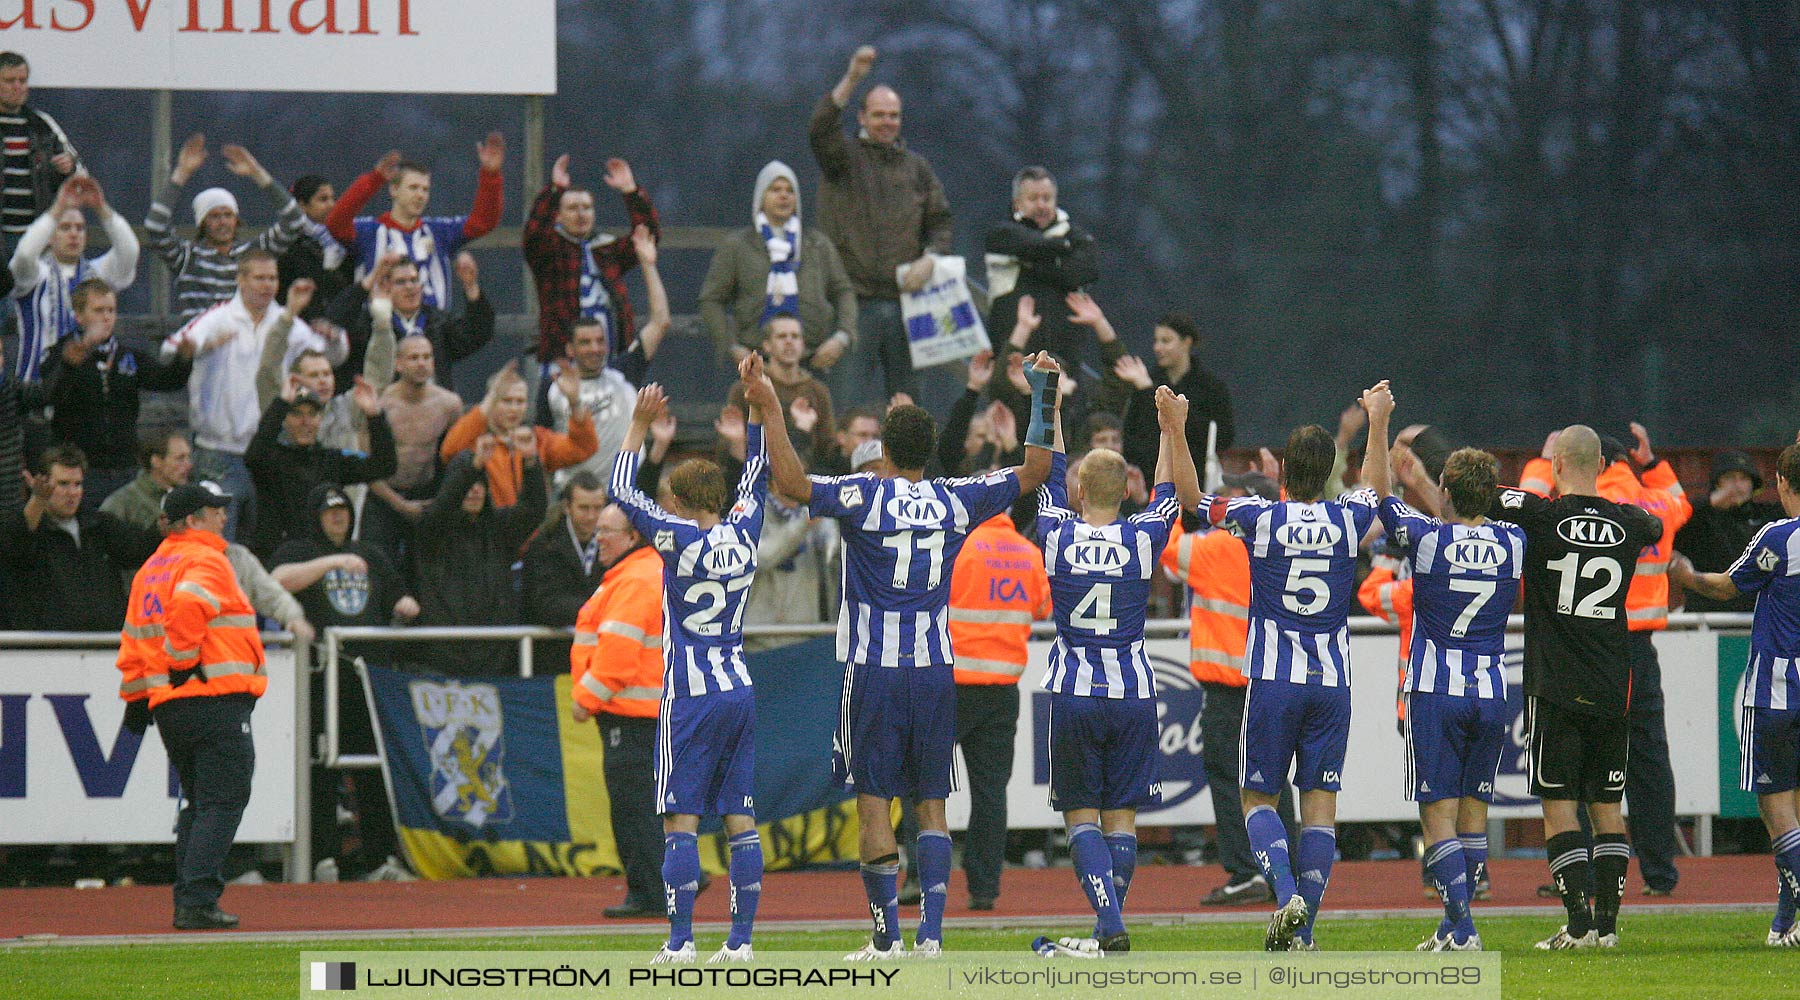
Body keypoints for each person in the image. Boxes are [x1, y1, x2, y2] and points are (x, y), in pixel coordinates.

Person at [765, 350, 1062, 959]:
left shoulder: (864, 495)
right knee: (932, 801)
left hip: (873, 670)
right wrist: (1043, 394)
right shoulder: (957, 499)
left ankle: (886, 938)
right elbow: (1035, 469)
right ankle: (931, 937)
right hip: (933, 670)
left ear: (885, 452)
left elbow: (791, 485)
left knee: (875, 799)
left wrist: (769, 407)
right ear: (927, 453)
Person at [610, 367, 780, 964]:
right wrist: (756, 407)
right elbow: (757, 475)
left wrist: (637, 424)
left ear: (680, 502)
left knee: (680, 819)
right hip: (738, 686)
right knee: (740, 815)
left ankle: (681, 940)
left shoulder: (673, 536)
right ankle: (740, 942)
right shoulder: (745, 532)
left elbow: (621, 491)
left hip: (689, 694)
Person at [1189, 421, 1380, 951]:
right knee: (1320, 809)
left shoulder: (1260, 515)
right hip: (1333, 683)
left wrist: (1173, 428)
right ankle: (1305, 935)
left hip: (1275, 680)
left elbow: (1189, 498)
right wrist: (1379, 422)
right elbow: (1381, 491)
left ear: (1284, 473)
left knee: (1257, 800)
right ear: (1330, 472)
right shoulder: (1347, 518)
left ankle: (1287, 894)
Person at [1030, 385, 1194, 957]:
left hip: (1074, 690)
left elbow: (1048, 471)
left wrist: (1047, 407)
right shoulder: (1142, 537)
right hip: (1133, 691)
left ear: (1079, 489)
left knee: (1081, 815)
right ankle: (1109, 928)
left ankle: (1108, 921)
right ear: (1127, 491)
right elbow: (1171, 494)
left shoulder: (1055, 534)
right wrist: (1171, 427)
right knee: (1121, 816)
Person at [1360, 382, 1521, 952]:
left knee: (1439, 819)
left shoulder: (1426, 540)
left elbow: (1375, 496)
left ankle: (1466, 930)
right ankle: (1453, 927)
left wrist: (1378, 425)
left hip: (1435, 690)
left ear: (1447, 489)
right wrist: (1434, 485)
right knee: (1474, 815)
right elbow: (1469, 516)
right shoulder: (1514, 541)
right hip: (1492, 691)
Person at [1490, 426, 1662, 950]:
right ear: (1604, 467)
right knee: (1608, 806)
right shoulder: (1632, 522)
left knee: (1559, 803)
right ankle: (1607, 927)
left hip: (1556, 683)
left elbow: (1489, 496)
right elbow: (1656, 523)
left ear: (1558, 463)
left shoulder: (1541, 515)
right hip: (1613, 682)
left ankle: (1578, 924)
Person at [115, 480, 265, 930]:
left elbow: (134, 641)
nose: (223, 516)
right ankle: (197, 899)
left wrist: (139, 698)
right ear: (193, 519)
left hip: (170, 706)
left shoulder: (150, 569)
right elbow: (188, 607)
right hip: (209, 696)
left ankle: (190, 898)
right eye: (214, 510)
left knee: (200, 803)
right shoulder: (204, 558)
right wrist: (182, 663)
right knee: (223, 799)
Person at [1670, 442, 1800, 947]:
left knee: (1776, 806)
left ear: (1784, 485)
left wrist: (1686, 576)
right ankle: (1783, 920)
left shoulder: (1779, 537)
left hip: (1774, 686)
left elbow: (1729, 586)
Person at [1161, 470, 1298, 907]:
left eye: (1229, 496)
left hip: (1228, 690)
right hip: (1272, 682)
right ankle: (1284, 869)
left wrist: (1174, 503)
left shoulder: (1219, 547)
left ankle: (1245, 872)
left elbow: (1165, 548)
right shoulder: (1280, 544)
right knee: (1274, 780)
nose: (1220, 501)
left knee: (1229, 781)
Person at [271, 483, 417, 883]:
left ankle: (379, 858)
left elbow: (402, 596)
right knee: (319, 768)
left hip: (367, 680)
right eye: (329, 512)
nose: (337, 517)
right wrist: (333, 561)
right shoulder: (300, 550)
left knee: (373, 769)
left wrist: (404, 603)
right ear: (315, 515)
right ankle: (321, 857)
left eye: (343, 511)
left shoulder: (370, 553)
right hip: (319, 680)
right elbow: (277, 581)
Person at [163, 250, 347, 541]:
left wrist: (335, 336)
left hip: (270, 453)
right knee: (220, 541)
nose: (267, 285)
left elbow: (332, 357)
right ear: (241, 279)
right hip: (220, 453)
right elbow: (170, 350)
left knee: (269, 540)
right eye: (259, 277)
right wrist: (202, 347)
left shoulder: (289, 324)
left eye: (272, 278)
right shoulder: (218, 318)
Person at [808, 45, 954, 408]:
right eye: (879, 115)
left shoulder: (918, 169)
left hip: (909, 306)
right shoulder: (842, 159)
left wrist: (932, 257)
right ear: (861, 117)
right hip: (852, 305)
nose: (887, 122)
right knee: (845, 407)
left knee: (911, 409)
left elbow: (941, 222)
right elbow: (820, 129)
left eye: (894, 115)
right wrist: (853, 77)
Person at [1596, 425, 1690, 897]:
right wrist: (1653, 463)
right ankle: (1660, 873)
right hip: (1642, 652)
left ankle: (1589, 873)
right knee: (1651, 762)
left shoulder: (1591, 505)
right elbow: (1682, 501)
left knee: (1587, 756)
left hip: (1596, 649)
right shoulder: (1659, 505)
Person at [944, 488, 1049, 911]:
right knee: (991, 793)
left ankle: (919, 876)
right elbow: (1042, 607)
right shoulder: (1027, 553)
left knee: (925, 784)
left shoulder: (958, 548)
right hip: (1002, 688)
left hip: (951, 685)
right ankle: (984, 887)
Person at [570, 502, 667, 919]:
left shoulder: (634, 580)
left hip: (631, 714)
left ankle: (654, 890)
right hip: (641, 713)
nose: (599, 539)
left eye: (607, 531)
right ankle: (665, 883)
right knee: (643, 806)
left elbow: (616, 656)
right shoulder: (638, 574)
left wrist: (584, 699)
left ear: (633, 536)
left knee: (635, 809)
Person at [537, 224, 668, 492]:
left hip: (626, 495)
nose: (595, 348)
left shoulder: (624, 373)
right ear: (570, 349)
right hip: (574, 499)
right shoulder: (552, 386)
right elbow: (541, 450)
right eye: (585, 342)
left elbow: (660, 322)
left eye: (600, 341)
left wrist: (647, 264)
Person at [40, 280, 187, 508]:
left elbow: (166, 380)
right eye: (98, 310)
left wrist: (185, 358)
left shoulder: (126, 356)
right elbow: (50, 395)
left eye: (111, 310)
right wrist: (70, 363)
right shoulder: (64, 353)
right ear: (79, 316)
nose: (106, 317)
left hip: (126, 466)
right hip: (82, 471)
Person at [700, 159, 857, 372]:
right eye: (775, 189)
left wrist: (841, 338)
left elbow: (843, 291)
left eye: (790, 190)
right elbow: (711, 299)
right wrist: (731, 346)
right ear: (760, 197)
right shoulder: (738, 246)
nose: (784, 195)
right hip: (755, 360)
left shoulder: (817, 245)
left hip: (814, 359)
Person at [411, 443, 546, 675]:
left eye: (480, 484)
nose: (474, 491)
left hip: (495, 658)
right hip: (442, 660)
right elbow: (443, 508)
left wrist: (531, 463)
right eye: (468, 485)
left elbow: (533, 509)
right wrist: (472, 468)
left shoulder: (499, 529)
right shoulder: (432, 531)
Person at [326, 137, 504, 311]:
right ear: (394, 190)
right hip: (381, 333)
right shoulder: (370, 231)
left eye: (425, 189)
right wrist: (375, 179)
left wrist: (490, 175)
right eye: (413, 188)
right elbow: (336, 222)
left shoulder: (439, 231)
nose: (421, 195)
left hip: (434, 334)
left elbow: (483, 222)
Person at [146, 134, 306, 320]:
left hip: (247, 342)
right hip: (202, 345)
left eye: (228, 215)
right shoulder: (187, 257)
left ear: (236, 219)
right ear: (202, 223)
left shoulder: (254, 252)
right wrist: (182, 173)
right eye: (214, 216)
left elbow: (295, 221)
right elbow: (155, 226)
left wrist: (257, 173)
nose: (223, 222)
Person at [0, 444, 160, 630]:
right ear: (42, 484)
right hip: (44, 648)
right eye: (63, 484)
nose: (72, 492)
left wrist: (161, 529)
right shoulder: (24, 529)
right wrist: (38, 500)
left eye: (78, 484)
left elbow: (138, 548)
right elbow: (15, 547)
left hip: (107, 641)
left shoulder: (99, 525)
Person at [524, 153, 660, 367]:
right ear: (557, 215)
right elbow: (533, 234)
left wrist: (631, 192)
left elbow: (647, 237)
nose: (581, 214)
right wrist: (554, 190)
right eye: (572, 208)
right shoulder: (550, 252)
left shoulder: (606, 250)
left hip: (611, 358)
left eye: (586, 207)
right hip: (563, 362)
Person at [244, 374, 395, 560]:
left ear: (320, 419)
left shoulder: (332, 460)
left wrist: (375, 416)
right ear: (285, 419)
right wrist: (280, 404)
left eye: (312, 414)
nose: (305, 422)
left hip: (323, 557)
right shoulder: (271, 458)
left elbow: (384, 466)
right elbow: (254, 457)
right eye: (297, 414)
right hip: (278, 559)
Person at [8, 176, 137, 384]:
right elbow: (23, 255)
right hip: (36, 388)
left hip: (85, 392)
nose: (74, 234)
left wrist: (101, 209)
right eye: (65, 227)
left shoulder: (97, 274)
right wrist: (57, 208)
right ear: (50, 236)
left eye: (80, 228)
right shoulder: (36, 274)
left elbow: (129, 251)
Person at [1096, 308, 1235, 479]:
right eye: (1156, 341)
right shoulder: (1146, 383)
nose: (1158, 348)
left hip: (1194, 478)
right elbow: (1135, 435)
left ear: (1186, 342)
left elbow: (1222, 437)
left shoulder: (1211, 387)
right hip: (1150, 478)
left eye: (1166, 341)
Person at [324, 250, 490, 393]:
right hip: (382, 412)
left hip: (434, 413)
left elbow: (478, 333)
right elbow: (335, 319)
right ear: (385, 285)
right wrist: (371, 278)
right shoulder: (370, 322)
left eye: (414, 280)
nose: (410, 287)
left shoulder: (437, 320)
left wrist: (471, 286)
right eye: (401, 282)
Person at [984, 166, 1099, 367]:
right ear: (1017, 203)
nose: (1041, 205)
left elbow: (1085, 273)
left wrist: (1031, 263)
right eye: (1033, 198)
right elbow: (1025, 243)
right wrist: (1060, 250)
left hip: (1064, 360)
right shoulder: (1000, 235)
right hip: (1012, 358)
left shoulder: (1075, 235)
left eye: (1047, 198)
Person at [366, 334, 464, 566]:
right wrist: (399, 504)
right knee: (378, 566)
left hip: (426, 496)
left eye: (426, 357)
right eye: (414, 358)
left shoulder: (449, 404)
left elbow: (456, 458)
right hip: (384, 496)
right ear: (398, 364)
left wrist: (442, 500)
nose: (421, 363)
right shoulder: (379, 403)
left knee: (426, 571)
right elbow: (365, 466)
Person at [441, 362, 595, 509]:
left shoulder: (537, 440)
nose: (514, 409)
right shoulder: (476, 441)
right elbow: (449, 451)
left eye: (520, 401)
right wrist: (491, 397)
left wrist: (574, 401)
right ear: (492, 401)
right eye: (506, 401)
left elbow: (583, 448)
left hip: (531, 531)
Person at [520, 471, 608, 677]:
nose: (591, 516)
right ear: (567, 507)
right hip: (553, 660)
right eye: (584, 508)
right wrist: (602, 609)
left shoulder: (613, 542)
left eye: (597, 508)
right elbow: (545, 604)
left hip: (600, 659)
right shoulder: (544, 544)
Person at [1676, 451, 1783, 614]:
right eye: (1730, 478)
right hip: (1706, 616)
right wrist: (1711, 503)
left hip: (1755, 615)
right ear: (1717, 483)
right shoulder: (1701, 517)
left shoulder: (1765, 517)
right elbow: (1676, 526)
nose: (1737, 486)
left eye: (1744, 479)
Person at [726, 315, 836, 468]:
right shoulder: (745, 387)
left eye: (795, 336)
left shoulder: (818, 391)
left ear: (803, 344)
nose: (789, 341)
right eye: (781, 336)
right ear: (767, 345)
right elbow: (729, 450)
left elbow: (828, 447)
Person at [0, 51, 81, 242]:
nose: (18, 87)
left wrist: (67, 168)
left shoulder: (42, 125)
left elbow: (80, 174)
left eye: (23, 80)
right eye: (10, 81)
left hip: (35, 239)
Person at [277, 174, 356, 322]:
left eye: (333, 198)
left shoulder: (343, 241)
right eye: (323, 199)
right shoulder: (288, 245)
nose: (332, 205)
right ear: (302, 205)